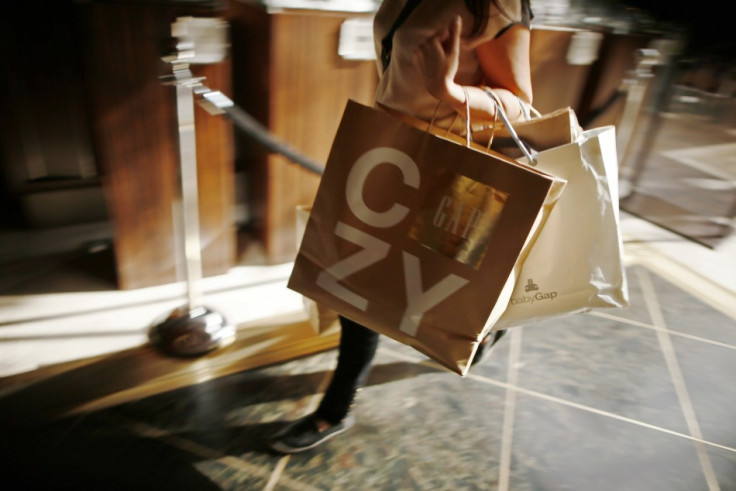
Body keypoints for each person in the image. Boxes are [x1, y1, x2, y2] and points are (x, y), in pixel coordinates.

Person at [269, 0, 533, 454]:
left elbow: (522, 107)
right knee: (358, 285)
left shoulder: (495, 4)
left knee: (438, 283)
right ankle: (336, 407)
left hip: (451, 171)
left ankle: (489, 324)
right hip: (391, 157)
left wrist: (449, 93)